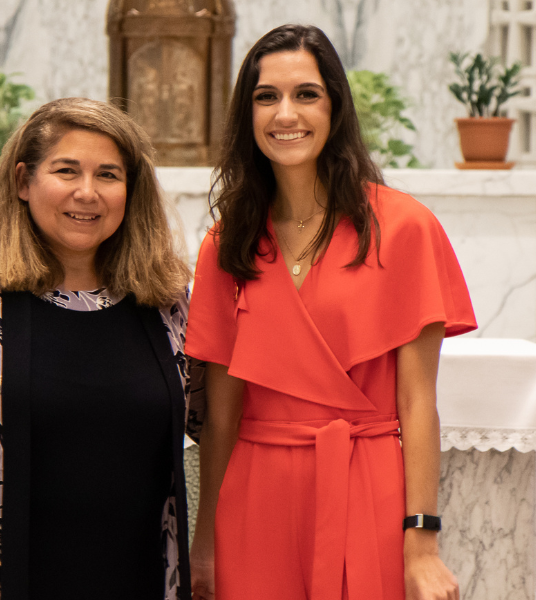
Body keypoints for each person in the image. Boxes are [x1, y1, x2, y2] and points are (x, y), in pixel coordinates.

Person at [185, 25, 477, 600]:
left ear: (336, 107)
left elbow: (418, 404)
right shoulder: (227, 242)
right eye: (266, 96)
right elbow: (222, 419)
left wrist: (422, 544)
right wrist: (206, 543)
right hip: (255, 500)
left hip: (364, 484)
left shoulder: (405, 228)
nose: (284, 113)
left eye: (306, 94)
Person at [0, 97, 195, 600]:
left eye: (109, 175)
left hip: (136, 579)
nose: (87, 192)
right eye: (67, 170)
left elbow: (215, 423)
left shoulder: (164, 295)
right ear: (23, 181)